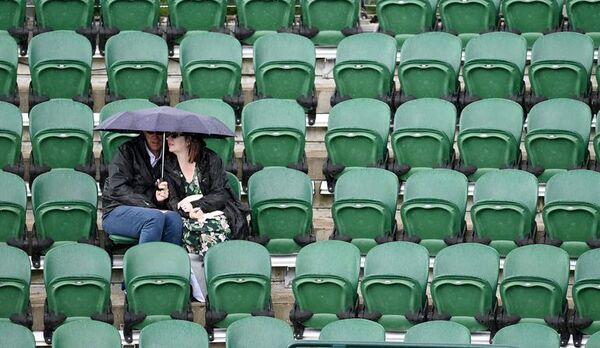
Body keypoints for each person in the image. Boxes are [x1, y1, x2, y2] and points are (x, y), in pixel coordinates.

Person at [163, 132, 249, 300]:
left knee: (211, 229)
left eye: (174, 136)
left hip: (214, 212)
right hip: (186, 216)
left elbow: (220, 194)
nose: (168, 139)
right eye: (169, 136)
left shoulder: (210, 159)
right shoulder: (167, 165)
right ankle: (203, 290)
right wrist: (187, 212)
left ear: (188, 140)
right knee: (190, 230)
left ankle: (219, 284)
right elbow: (172, 200)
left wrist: (196, 206)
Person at [102, 132, 183, 245]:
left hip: (148, 209)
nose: (155, 137)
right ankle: (144, 261)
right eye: (150, 133)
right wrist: (149, 205)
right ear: (144, 133)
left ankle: (168, 261)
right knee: (154, 218)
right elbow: (117, 187)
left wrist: (156, 196)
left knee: (174, 219)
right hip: (116, 209)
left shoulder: (169, 154)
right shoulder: (127, 150)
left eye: (159, 133)